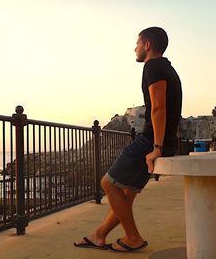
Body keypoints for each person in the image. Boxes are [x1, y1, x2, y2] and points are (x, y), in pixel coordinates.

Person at [74, 27, 182, 253]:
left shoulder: (153, 66)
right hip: (162, 141)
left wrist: (156, 148)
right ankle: (99, 235)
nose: (135, 48)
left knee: (107, 183)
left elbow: (159, 108)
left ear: (148, 45)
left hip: (150, 141)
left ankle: (133, 238)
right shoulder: (168, 68)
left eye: (137, 43)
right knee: (125, 193)